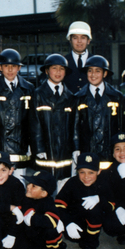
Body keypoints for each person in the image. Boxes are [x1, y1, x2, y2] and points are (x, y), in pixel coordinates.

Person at [0, 49, 36, 178]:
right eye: (6, 66)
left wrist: (31, 144)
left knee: (19, 182)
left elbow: (32, 120)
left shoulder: (28, 88)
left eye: (14, 66)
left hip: (20, 145)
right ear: (0, 67)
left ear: (19, 67)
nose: (10, 70)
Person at [56, 152, 114, 249]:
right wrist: (68, 222)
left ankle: (91, 243)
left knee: (95, 211)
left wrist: (100, 199)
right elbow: (59, 203)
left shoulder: (104, 184)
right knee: (73, 237)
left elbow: (112, 205)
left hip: (95, 218)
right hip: (76, 218)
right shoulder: (72, 183)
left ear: (99, 171)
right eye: (82, 172)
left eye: (91, 172)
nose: (86, 177)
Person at [32, 54, 76, 191]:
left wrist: (75, 147)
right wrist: (39, 148)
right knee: (45, 185)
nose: (58, 72)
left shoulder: (70, 96)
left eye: (61, 69)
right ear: (46, 71)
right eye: (54, 68)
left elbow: (73, 125)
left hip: (64, 151)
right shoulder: (38, 94)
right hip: (46, 150)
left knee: (64, 185)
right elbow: (35, 123)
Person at [74, 55, 122, 166]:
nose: (93, 75)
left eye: (97, 71)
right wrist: (76, 148)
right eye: (90, 71)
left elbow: (120, 124)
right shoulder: (79, 97)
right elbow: (75, 126)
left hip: (109, 151)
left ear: (105, 74)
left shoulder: (116, 96)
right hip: (87, 150)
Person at [17, 170, 70, 249]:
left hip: (44, 234)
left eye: (34, 186)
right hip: (31, 234)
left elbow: (51, 221)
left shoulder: (48, 203)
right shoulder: (25, 198)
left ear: (44, 193)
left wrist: (33, 218)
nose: (28, 186)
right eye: (29, 183)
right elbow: (23, 211)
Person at [63, 21, 92, 93]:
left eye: (83, 37)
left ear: (88, 41)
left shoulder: (96, 61)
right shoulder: (63, 62)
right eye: (75, 38)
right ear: (70, 40)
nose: (79, 41)